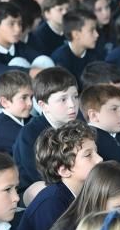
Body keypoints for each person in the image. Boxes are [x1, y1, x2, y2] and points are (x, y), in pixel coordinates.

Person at [17, 121, 102, 230]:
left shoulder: (87, 193)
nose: (99, 159)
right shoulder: (51, 203)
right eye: (88, 155)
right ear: (63, 170)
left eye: (96, 152)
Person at [13, 67, 80, 197]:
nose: (72, 104)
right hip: (35, 190)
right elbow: (39, 175)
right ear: (44, 106)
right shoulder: (30, 134)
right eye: (63, 99)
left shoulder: (77, 124)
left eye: (75, 97)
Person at [0, 70, 34, 155]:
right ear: (5, 102)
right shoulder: (3, 129)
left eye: (31, 97)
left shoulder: (26, 118)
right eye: (24, 97)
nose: (30, 103)